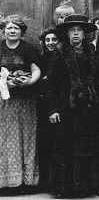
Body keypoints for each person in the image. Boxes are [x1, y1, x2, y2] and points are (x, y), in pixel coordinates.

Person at [46, 14, 99, 197]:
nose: (76, 34)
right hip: (64, 106)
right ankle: (63, 188)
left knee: (84, 145)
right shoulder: (59, 52)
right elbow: (51, 84)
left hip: (86, 106)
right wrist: (53, 109)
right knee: (64, 145)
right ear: (67, 34)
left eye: (79, 30)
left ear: (84, 34)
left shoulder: (90, 51)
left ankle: (83, 187)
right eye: (72, 30)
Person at [0, 15, 42, 189]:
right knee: (5, 136)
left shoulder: (29, 48)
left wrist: (28, 81)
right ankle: (6, 180)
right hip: (4, 100)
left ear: (21, 32)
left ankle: (26, 181)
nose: (12, 31)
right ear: (4, 31)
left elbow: (36, 70)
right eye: (9, 28)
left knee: (26, 135)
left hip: (25, 99)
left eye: (16, 28)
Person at [37, 27, 59, 187]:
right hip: (42, 104)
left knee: (55, 142)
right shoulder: (42, 58)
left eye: (54, 40)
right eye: (48, 40)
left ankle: (53, 181)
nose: (51, 43)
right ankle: (44, 180)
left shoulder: (61, 57)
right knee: (44, 141)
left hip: (57, 104)